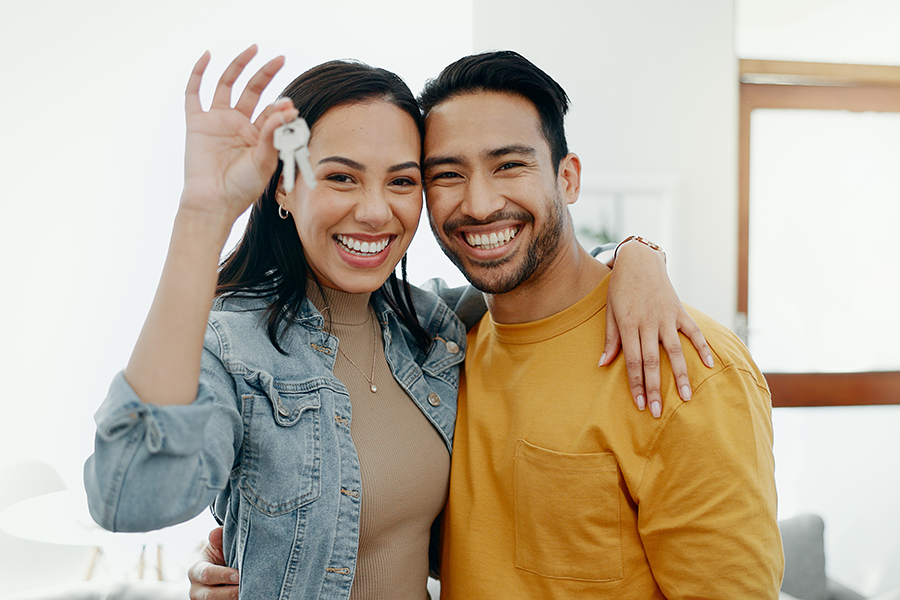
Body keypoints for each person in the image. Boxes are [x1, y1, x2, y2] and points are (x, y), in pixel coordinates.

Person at [86, 47, 707, 600]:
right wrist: (203, 214)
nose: (375, 211)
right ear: (283, 188)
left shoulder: (433, 328)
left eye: (403, 181)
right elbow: (131, 498)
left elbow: (536, 283)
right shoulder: (233, 345)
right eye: (340, 177)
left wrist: (634, 257)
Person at [418, 51, 784, 598]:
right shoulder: (440, 346)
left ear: (567, 178)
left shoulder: (686, 363)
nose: (480, 203)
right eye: (447, 174)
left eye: (510, 165)